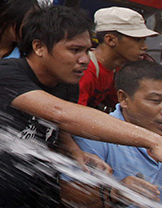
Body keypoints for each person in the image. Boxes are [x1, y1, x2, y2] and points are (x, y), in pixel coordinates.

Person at [0, 5, 162, 208]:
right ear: (39, 47)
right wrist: (152, 140)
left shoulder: (66, 84)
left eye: (86, 50)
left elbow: (57, 125)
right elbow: (60, 113)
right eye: (75, 50)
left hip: (18, 196)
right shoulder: (5, 74)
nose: (84, 59)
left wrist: (74, 152)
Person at [62, 60, 162, 206]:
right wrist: (114, 192)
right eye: (155, 100)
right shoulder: (96, 136)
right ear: (123, 98)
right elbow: (69, 197)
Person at [79, 7, 158, 112]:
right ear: (110, 40)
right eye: (138, 40)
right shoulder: (86, 70)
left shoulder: (114, 71)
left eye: (144, 40)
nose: (145, 47)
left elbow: (122, 105)